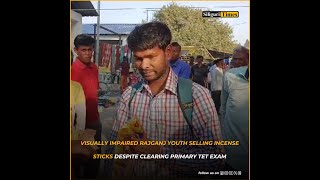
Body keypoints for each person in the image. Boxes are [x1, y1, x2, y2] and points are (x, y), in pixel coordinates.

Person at [108, 21, 224, 177]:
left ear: (168, 52)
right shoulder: (130, 95)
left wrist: (161, 152)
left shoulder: (197, 96)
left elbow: (215, 157)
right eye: (138, 59)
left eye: (151, 57)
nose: (144, 65)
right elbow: (114, 144)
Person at [71, 34, 101, 178]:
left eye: (90, 50)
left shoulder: (95, 68)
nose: (88, 53)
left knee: (94, 159)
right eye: (84, 50)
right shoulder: (72, 71)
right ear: (76, 50)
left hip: (95, 122)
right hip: (78, 127)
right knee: (77, 163)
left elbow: (94, 91)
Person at [220, 45, 249, 177]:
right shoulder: (229, 76)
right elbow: (223, 107)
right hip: (233, 155)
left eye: (240, 59)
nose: (236, 62)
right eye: (234, 60)